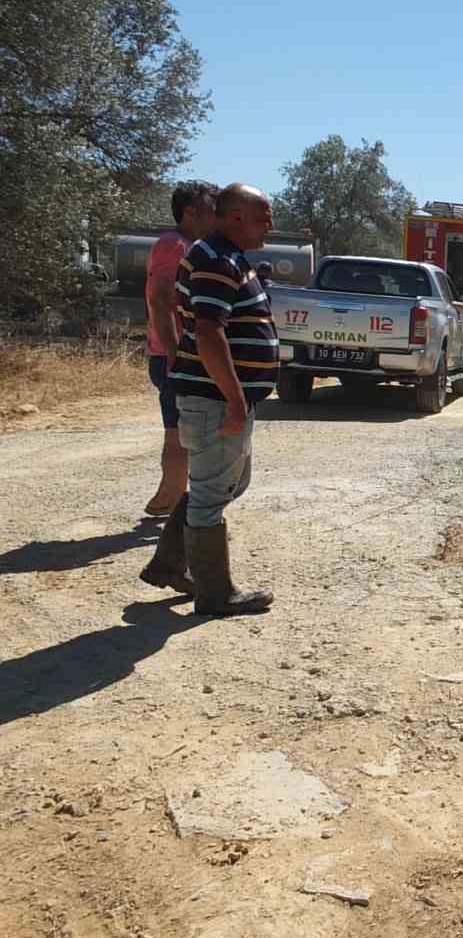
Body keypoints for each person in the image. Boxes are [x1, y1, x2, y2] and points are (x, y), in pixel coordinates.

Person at [141, 183, 279, 616]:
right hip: (216, 400)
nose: (270, 225)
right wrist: (235, 399)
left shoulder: (229, 258)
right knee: (209, 493)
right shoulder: (215, 258)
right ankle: (215, 593)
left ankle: (168, 563)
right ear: (235, 216)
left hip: (222, 398)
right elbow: (208, 331)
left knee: (229, 484)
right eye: (263, 216)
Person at [141, 180, 218, 520]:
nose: (217, 215)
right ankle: (170, 499)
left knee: (184, 432)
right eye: (211, 208)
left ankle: (168, 499)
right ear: (190, 212)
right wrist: (174, 353)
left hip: (180, 356)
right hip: (173, 356)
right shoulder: (174, 245)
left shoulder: (189, 245)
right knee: (179, 433)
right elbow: (160, 299)